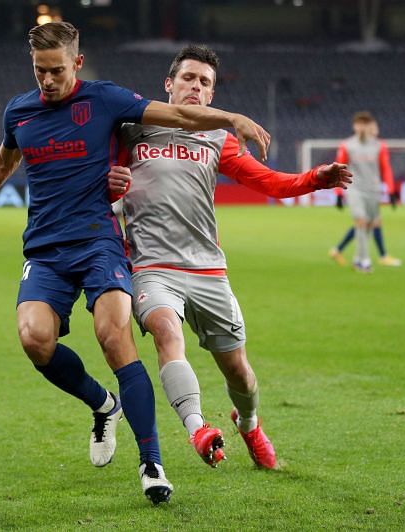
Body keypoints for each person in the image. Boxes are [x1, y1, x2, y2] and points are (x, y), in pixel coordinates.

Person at [0, 22, 271, 504]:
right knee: (34, 339)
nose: (46, 81)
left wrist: (230, 118)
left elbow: (178, 114)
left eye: (55, 71)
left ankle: (151, 464)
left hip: (99, 243)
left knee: (114, 336)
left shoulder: (107, 100)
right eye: (38, 71)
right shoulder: (20, 110)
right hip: (46, 250)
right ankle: (102, 405)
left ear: (76, 63)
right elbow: (3, 163)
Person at [107, 44, 351, 470]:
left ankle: (250, 423)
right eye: (188, 78)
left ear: (212, 94)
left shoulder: (218, 138)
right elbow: (99, 182)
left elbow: (269, 182)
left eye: (205, 82)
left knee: (238, 371)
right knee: (166, 331)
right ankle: (198, 429)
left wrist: (315, 179)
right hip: (152, 266)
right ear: (169, 84)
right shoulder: (131, 129)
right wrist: (110, 186)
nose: (195, 87)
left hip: (208, 269)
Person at [328, 113, 402, 272]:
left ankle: (357, 258)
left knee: (369, 224)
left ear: (370, 126)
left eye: (365, 124)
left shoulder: (379, 146)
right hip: (355, 189)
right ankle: (365, 261)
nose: (362, 127)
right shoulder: (346, 145)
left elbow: (386, 169)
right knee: (361, 221)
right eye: (359, 124)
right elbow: (339, 169)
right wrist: (338, 194)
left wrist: (390, 190)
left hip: (373, 190)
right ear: (355, 126)